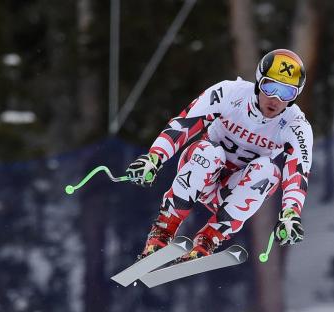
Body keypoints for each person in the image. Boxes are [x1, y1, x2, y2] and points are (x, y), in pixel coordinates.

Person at [125, 49, 313, 261]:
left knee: (269, 171)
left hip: (232, 191)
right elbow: (184, 123)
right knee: (210, 151)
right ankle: (163, 231)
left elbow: (298, 172)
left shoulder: (296, 125)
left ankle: (208, 239)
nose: (276, 99)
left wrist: (291, 213)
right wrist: (154, 158)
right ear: (258, 82)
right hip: (201, 172)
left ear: (296, 96)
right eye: (270, 87)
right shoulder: (230, 93)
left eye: (286, 93)